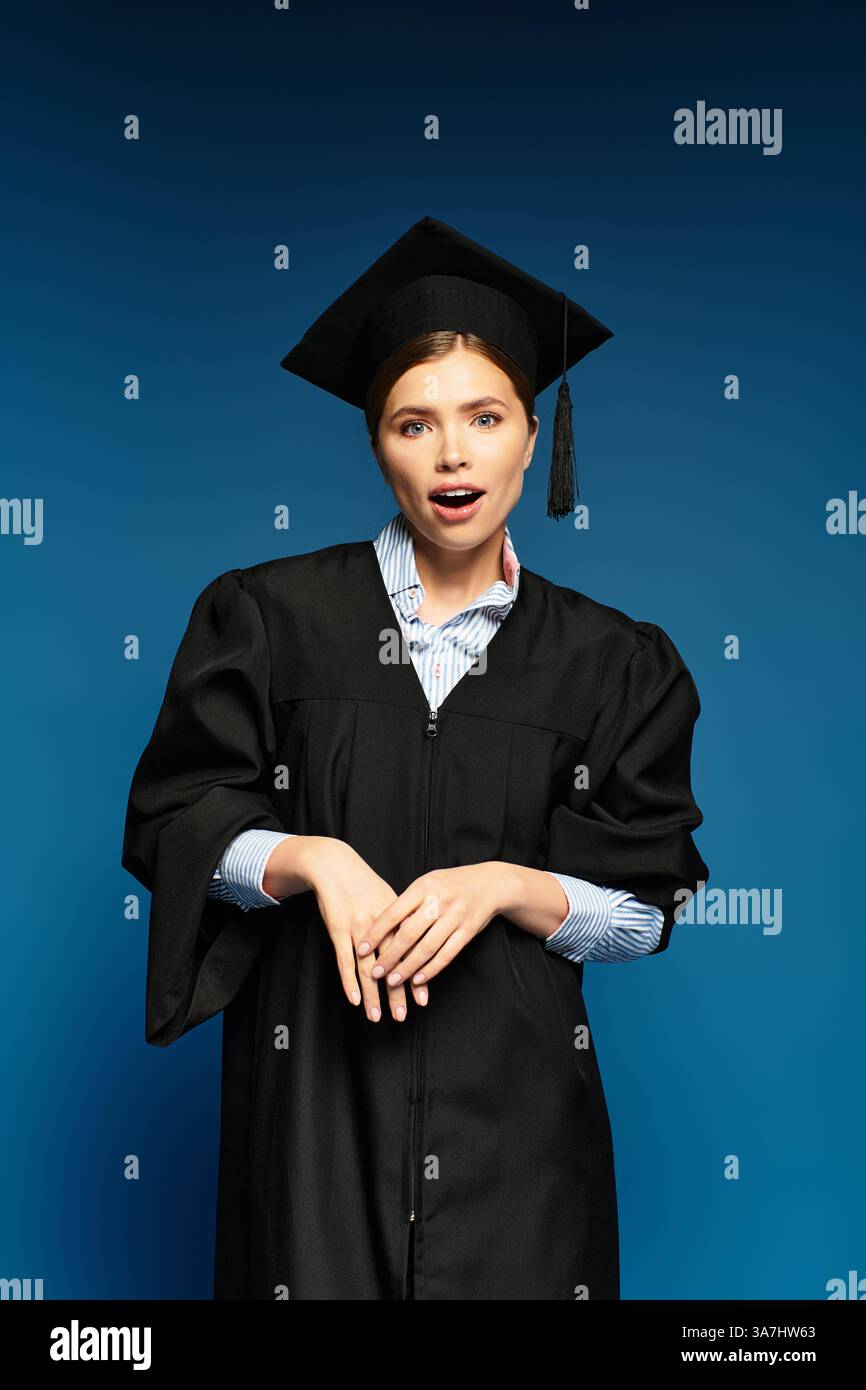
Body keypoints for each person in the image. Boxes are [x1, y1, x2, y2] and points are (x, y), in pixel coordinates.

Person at [121, 215, 709, 1301]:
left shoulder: (612, 661)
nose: (452, 455)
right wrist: (306, 859)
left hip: (520, 1145)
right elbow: (171, 825)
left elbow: (642, 910)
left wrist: (504, 884)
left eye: (484, 417)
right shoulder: (267, 616)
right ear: (375, 443)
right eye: (412, 422)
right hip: (311, 1132)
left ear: (532, 436)